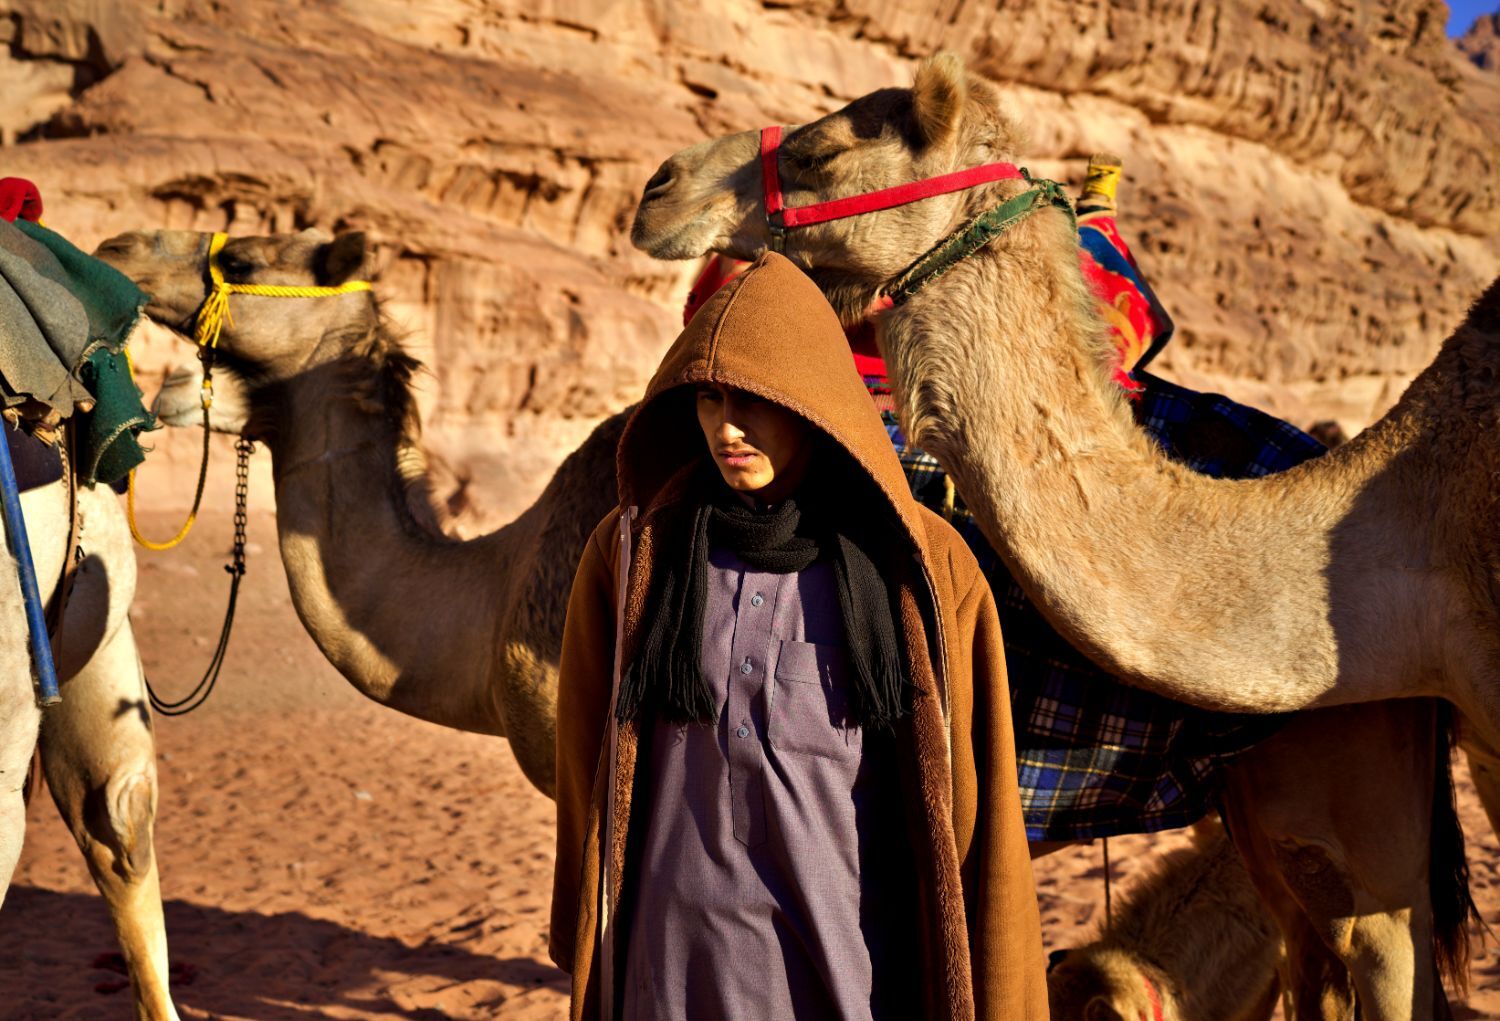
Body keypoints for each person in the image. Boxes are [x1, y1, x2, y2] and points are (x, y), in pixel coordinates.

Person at [549, 252, 1047, 1021]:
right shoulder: (634, 558)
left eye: (754, 401)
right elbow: (588, 779)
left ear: (813, 405)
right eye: (710, 400)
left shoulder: (924, 573)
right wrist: (585, 936)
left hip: (845, 978)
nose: (728, 427)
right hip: (667, 976)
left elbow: (981, 824)